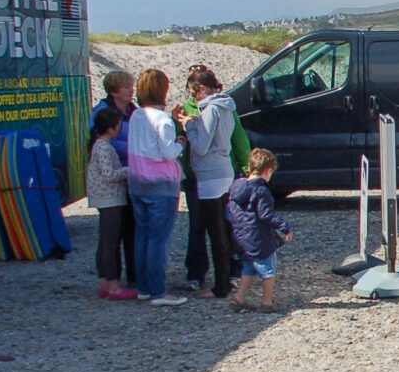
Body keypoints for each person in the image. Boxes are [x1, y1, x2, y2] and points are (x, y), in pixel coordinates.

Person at [125, 69, 187, 306]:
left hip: (137, 182)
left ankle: (144, 287)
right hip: (161, 185)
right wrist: (180, 141)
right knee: (159, 241)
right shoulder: (163, 120)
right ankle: (158, 292)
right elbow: (168, 152)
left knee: (142, 236)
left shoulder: (137, 116)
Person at [182, 68, 239, 299]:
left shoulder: (210, 110)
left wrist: (188, 126)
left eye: (193, 94)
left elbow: (202, 146)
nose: (193, 100)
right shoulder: (226, 107)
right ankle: (224, 281)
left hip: (210, 174)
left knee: (215, 232)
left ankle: (220, 286)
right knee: (222, 229)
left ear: (201, 89)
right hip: (225, 169)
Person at [228, 148, 292, 312]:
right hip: (260, 238)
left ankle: (239, 298)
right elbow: (265, 215)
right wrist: (285, 227)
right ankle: (266, 302)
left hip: (242, 237)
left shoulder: (236, 187)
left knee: (248, 268)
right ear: (268, 171)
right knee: (267, 271)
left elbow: (231, 212)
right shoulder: (262, 191)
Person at [87, 107, 137, 300]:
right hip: (110, 198)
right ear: (111, 128)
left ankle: (104, 283)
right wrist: (131, 170)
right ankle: (114, 286)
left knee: (105, 242)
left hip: (104, 197)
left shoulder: (98, 145)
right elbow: (110, 174)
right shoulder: (105, 147)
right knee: (110, 242)